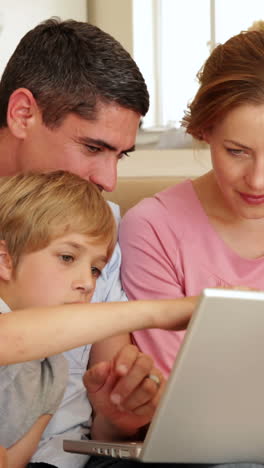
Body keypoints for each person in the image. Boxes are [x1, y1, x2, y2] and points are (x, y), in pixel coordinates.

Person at [0, 170, 198, 468]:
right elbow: (10, 338)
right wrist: (158, 311)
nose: (87, 283)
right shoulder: (11, 332)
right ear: (4, 260)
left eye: (95, 269)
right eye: (67, 258)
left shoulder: (53, 370)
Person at [119, 29, 264, 376]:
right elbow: (173, 389)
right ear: (205, 131)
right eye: (237, 152)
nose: (258, 180)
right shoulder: (154, 228)